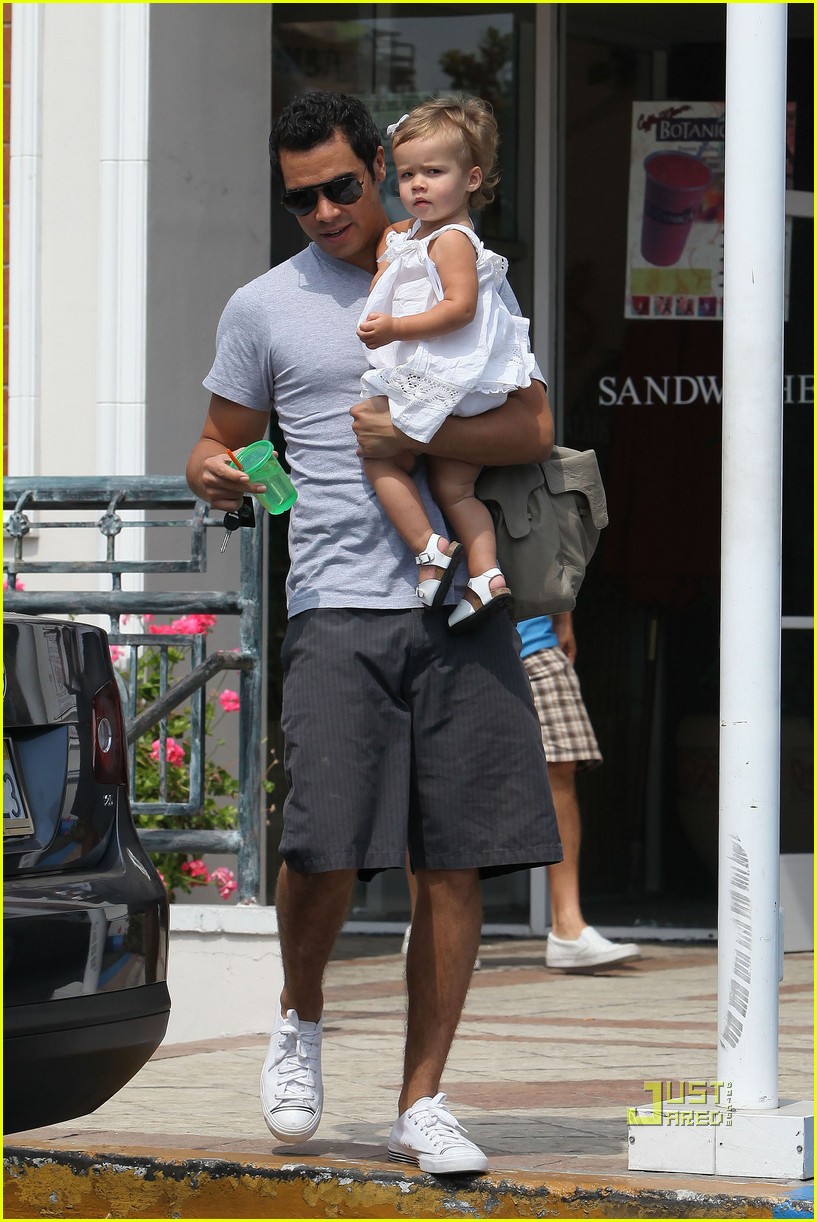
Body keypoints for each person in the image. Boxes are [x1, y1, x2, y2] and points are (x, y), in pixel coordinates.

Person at [186, 90, 561, 1176]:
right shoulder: (262, 306)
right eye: (300, 197)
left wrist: (410, 432)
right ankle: (299, 1017)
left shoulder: (456, 265)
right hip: (337, 603)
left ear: (382, 175)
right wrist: (220, 473)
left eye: (341, 187)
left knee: (455, 858)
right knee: (323, 844)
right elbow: (216, 442)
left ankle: (421, 1100)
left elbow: (534, 424)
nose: (323, 211)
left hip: (458, 608)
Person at [356, 97, 534, 632]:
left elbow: (460, 309)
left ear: (472, 178)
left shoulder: (452, 239)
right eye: (407, 174)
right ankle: (486, 576)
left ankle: (429, 547)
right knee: (455, 488)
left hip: (447, 378)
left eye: (434, 172)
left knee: (379, 456)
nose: (418, 185)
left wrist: (395, 327)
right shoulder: (413, 237)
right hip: (457, 384)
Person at [518, 612, 641, 971]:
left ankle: (568, 929)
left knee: (561, 765)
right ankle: (434, 925)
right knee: (447, 776)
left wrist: (564, 614)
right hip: (456, 637)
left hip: (533, 633)